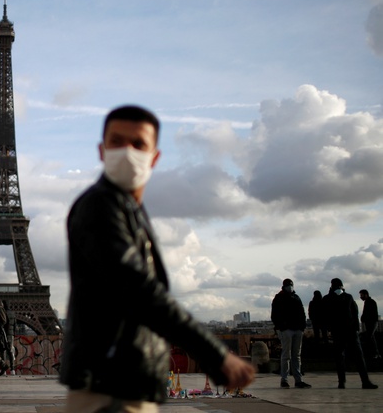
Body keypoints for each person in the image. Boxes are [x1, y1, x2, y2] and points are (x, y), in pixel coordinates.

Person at [60, 105, 255, 411]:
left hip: (121, 380)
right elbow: (139, 290)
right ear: (101, 150)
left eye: (138, 144)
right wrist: (215, 355)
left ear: (155, 157)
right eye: (117, 141)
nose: (127, 152)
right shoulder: (100, 207)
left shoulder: (127, 209)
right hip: (111, 384)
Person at [322, 278, 378, 389]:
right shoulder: (344, 297)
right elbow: (354, 312)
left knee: (344, 357)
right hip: (345, 331)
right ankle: (361, 381)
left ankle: (345, 382)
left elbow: (325, 315)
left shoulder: (331, 298)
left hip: (344, 331)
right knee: (353, 357)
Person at [271, 278, 311, 388]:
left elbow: (302, 313)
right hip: (288, 329)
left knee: (294, 355)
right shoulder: (280, 298)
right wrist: (283, 327)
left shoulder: (292, 297)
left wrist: (301, 327)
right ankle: (286, 379)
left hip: (295, 329)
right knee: (288, 355)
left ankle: (296, 380)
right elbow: (275, 315)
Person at [359, 289, 381, 359]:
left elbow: (368, 313)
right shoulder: (369, 302)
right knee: (371, 337)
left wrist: (364, 318)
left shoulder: (369, 302)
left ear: (366, 295)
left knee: (370, 337)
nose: (361, 297)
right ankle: (375, 353)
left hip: (371, 322)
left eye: (361, 295)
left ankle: (375, 353)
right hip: (371, 322)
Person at [2, 299, 16, 375]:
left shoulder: (2, 313)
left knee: (3, 351)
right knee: (10, 351)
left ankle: (3, 369)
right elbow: (15, 324)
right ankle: (12, 369)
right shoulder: (13, 313)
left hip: (3, 333)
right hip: (10, 334)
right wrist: (13, 333)